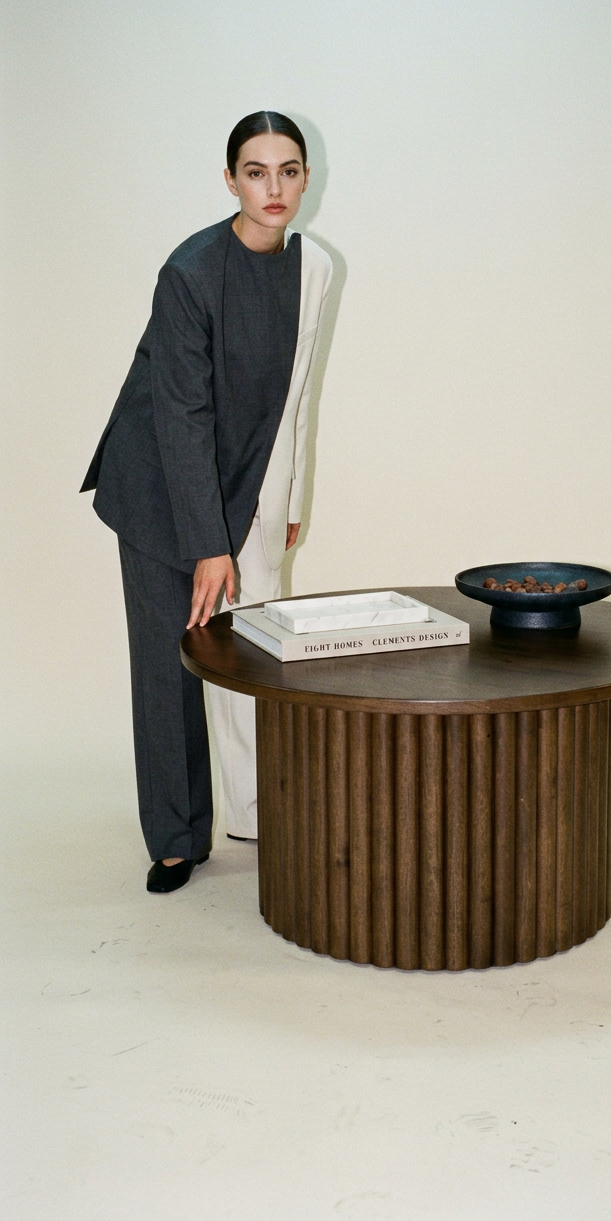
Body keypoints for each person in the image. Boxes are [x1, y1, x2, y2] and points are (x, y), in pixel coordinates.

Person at [81, 111, 332, 892]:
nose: (273, 187)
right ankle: (176, 838)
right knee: (172, 662)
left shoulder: (315, 267)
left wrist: (287, 493)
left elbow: (297, 394)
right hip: (159, 484)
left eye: (288, 170)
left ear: (306, 178)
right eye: (256, 172)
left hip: (249, 479)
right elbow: (182, 416)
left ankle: (258, 813)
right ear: (231, 181)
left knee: (257, 648)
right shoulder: (189, 273)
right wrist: (207, 543)